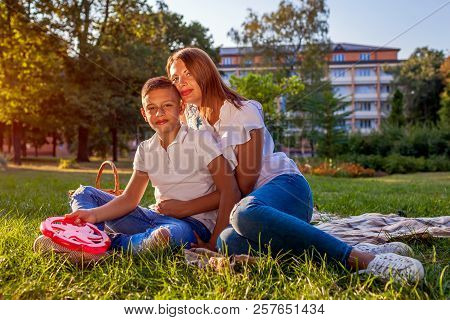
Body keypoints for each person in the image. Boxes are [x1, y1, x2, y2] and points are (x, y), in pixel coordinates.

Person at [161, 47, 424, 283]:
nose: (180, 82)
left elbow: (241, 186)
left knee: (243, 213)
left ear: (205, 71)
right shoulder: (198, 124)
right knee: (228, 241)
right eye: (175, 78)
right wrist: (211, 241)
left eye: (187, 73)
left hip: (286, 190)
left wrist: (186, 208)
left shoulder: (242, 111)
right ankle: (344, 247)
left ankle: (362, 260)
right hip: (253, 214)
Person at [34, 76, 240, 259]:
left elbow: (230, 190)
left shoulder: (200, 140)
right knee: (84, 193)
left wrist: (214, 243)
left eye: (167, 105)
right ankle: (90, 242)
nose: (159, 113)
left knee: (166, 236)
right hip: (152, 217)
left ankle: (105, 249)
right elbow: (130, 199)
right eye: (151, 108)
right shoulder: (145, 149)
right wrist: (94, 215)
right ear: (144, 113)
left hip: (191, 226)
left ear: (181, 107)